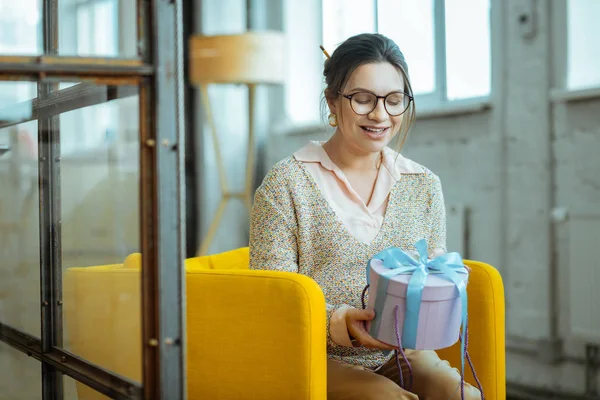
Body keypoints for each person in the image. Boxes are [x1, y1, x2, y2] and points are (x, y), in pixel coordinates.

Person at [249, 33, 482, 400]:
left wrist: (445, 282)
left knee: (462, 396)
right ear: (332, 101)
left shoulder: (423, 185)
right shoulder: (285, 185)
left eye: (393, 100)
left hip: (398, 353)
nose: (380, 115)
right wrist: (339, 323)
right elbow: (271, 301)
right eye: (362, 99)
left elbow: (431, 269)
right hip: (310, 355)